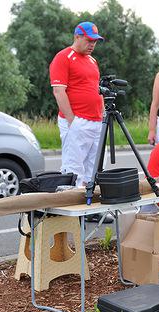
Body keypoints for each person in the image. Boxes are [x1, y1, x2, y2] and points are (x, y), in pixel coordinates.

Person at [49, 21, 104, 187]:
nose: (92, 44)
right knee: (73, 170)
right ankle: (73, 211)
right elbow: (59, 91)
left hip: (96, 121)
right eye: (89, 40)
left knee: (94, 170)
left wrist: (102, 114)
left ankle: (89, 210)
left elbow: (96, 89)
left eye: (94, 41)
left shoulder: (92, 61)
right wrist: (72, 120)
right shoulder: (63, 57)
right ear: (77, 37)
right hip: (77, 120)